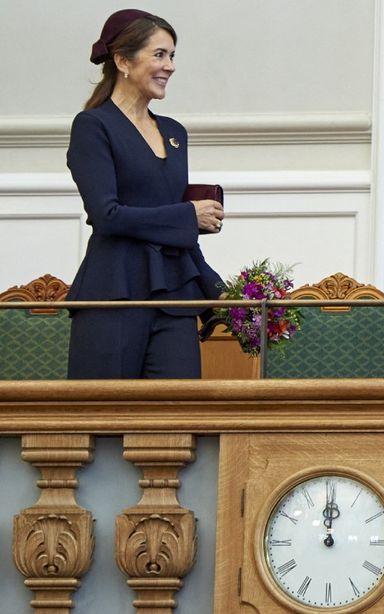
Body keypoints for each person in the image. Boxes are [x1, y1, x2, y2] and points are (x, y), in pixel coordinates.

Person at [66, 9, 224, 379]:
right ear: (122, 60)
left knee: (178, 422)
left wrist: (222, 294)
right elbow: (108, 215)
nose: (169, 66)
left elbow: (174, 231)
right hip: (114, 294)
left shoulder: (174, 132)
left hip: (174, 299)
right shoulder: (93, 126)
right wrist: (188, 216)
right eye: (159, 54)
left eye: (172, 56)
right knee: (107, 422)